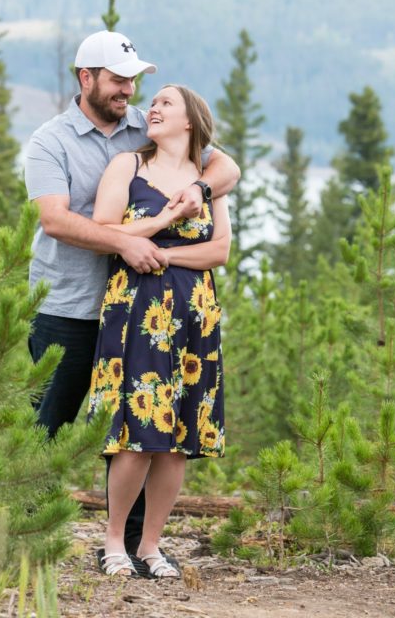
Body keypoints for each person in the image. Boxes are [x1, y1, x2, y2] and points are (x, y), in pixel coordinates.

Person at [24, 30, 239, 552]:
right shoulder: (49, 142)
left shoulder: (146, 125)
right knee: (49, 420)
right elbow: (57, 221)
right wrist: (127, 244)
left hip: (143, 308)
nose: (129, 91)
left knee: (140, 426)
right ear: (87, 78)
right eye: (119, 81)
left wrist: (200, 191)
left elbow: (225, 164)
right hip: (69, 305)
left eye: (134, 81)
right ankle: (18, 525)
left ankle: (135, 545)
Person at [87, 84, 230, 578]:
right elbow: (106, 230)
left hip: (196, 313)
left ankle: (150, 546)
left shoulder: (206, 179)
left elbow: (218, 252)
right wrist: (168, 217)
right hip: (137, 309)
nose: (153, 107)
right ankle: (113, 544)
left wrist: (166, 254)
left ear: (190, 120)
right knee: (136, 429)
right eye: (154, 102)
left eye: (166, 102)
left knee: (177, 436)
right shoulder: (128, 166)